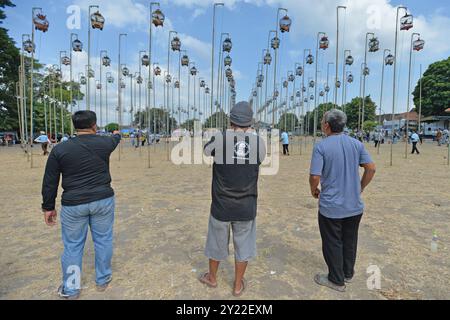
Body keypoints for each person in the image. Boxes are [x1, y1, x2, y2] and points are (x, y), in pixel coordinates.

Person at [41, 110, 121, 299]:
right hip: (103, 199)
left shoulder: (60, 149)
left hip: (73, 204)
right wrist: (116, 134)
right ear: (94, 125)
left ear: (75, 126)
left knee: (73, 246)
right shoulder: (105, 143)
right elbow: (115, 139)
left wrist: (48, 207)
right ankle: (103, 279)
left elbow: (50, 181)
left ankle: (72, 288)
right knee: (103, 240)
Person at [200, 101, 266, 297]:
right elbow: (259, 159)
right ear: (250, 122)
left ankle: (212, 278)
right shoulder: (258, 143)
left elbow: (206, 151)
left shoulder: (220, 138)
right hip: (246, 205)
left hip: (221, 205)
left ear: (230, 120)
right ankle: (237, 285)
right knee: (243, 245)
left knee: (216, 242)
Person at [309, 109, 376, 292]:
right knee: (350, 240)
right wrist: (359, 188)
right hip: (354, 206)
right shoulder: (356, 144)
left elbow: (315, 176)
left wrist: (314, 190)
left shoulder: (321, 146)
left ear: (327, 126)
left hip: (331, 206)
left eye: (323, 121)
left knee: (332, 242)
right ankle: (347, 273)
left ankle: (336, 280)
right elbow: (370, 168)